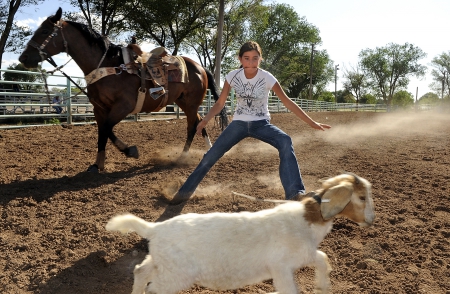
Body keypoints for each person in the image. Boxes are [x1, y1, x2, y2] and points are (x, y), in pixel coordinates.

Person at [172, 41, 331, 203]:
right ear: (240, 59)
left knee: (285, 141)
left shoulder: (267, 78)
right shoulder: (232, 76)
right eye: (246, 58)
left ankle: (295, 194)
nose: (251, 62)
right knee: (211, 155)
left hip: (261, 124)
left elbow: (287, 101)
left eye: (255, 58)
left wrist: (311, 122)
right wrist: (205, 120)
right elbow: (220, 103)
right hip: (238, 124)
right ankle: (183, 193)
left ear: (260, 59)